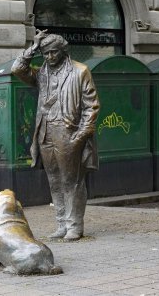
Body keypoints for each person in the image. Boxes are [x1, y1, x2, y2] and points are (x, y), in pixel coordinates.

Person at [11, 30, 100, 241]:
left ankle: (74, 226)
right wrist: (33, 47)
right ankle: (61, 223)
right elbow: (17, 69)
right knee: (54, 180)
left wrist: (80, 134)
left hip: (68, 131)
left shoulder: (80, 71)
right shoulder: (41, 73)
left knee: (73, 181)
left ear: (63, 51)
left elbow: (92, 106)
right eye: (45, 53)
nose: (49, 57)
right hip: (45, 131)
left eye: (53, 53)